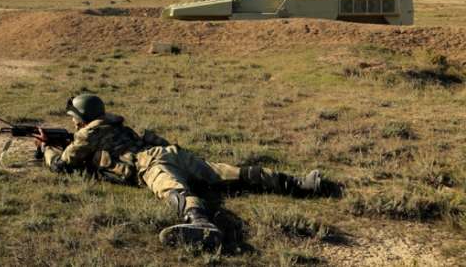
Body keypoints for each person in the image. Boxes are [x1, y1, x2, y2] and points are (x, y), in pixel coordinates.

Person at [34, 94, 339, 249]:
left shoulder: (86, 135)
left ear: (81, 117)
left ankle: (204, 226)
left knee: (174, 191)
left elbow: (63, 166)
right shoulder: (115, 123)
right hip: (171, 152)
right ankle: (302, 183)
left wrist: (47, 148)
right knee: (228, 172)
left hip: (150, 163)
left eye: (74, 117)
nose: (72, 121)